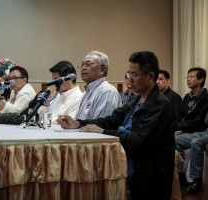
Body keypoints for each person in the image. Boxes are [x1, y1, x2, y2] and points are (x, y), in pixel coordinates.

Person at [57, 51, 176, 200]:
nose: (129, 80)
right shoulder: (136, 99)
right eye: (128, 74)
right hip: (130, 167)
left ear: (150, 76)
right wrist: (79, 123)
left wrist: (105, 132)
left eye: (134, 75)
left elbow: (140, 140)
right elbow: (112, 119)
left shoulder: (161, 105)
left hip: (149, 175)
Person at [75, 50, 122, 120]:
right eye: (82, 65)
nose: (83, 68)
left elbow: (99, 127)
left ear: (102, 70)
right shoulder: (85, 93)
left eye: (88, 64)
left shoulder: (107, 92)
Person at [176, 127, 208, 193]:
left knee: (196, 142)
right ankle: (181, 175)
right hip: (206, 132)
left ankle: (196, 181)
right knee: (177, 140)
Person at [176, 67, 208, 134]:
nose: (188, 79)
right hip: (185, 130)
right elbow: (181, 115)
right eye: (187, 77)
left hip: (199, 131)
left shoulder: (206, 97)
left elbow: (198, 120)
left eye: (191, 77)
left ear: (201, 80)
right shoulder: (187, 96)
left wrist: (177, 126)